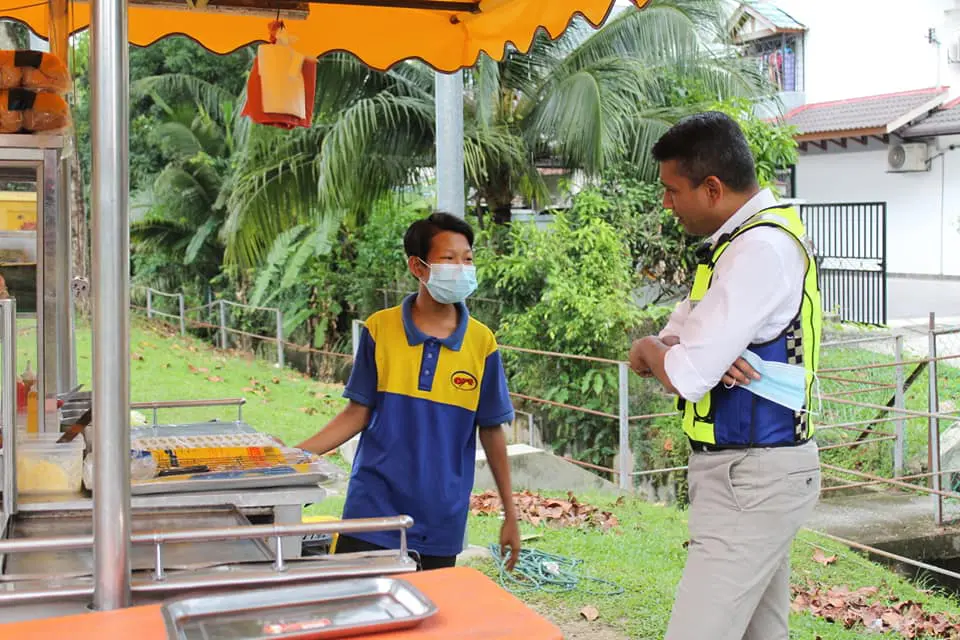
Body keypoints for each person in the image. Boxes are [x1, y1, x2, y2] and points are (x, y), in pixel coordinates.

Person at [628, 112, 822, 640]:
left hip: (752, 478)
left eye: (672, 190)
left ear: (711, 187)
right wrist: (683, 350)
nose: (666, 203)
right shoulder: (737, 243)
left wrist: (649, 347)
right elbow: (684, 337)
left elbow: (686, 372)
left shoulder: (758, 249)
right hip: (752, 473)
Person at [298, 211, 521, 572]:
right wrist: (293, 457)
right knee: (360, 619)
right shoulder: (379, 329)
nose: (462, 268)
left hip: (441, 518)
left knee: (423, 623)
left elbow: (492, 429)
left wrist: (510, 514)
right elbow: (357, 414)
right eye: (449, 259)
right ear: (418, 267)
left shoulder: (483, 343)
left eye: (468, 259)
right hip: (371, 511)